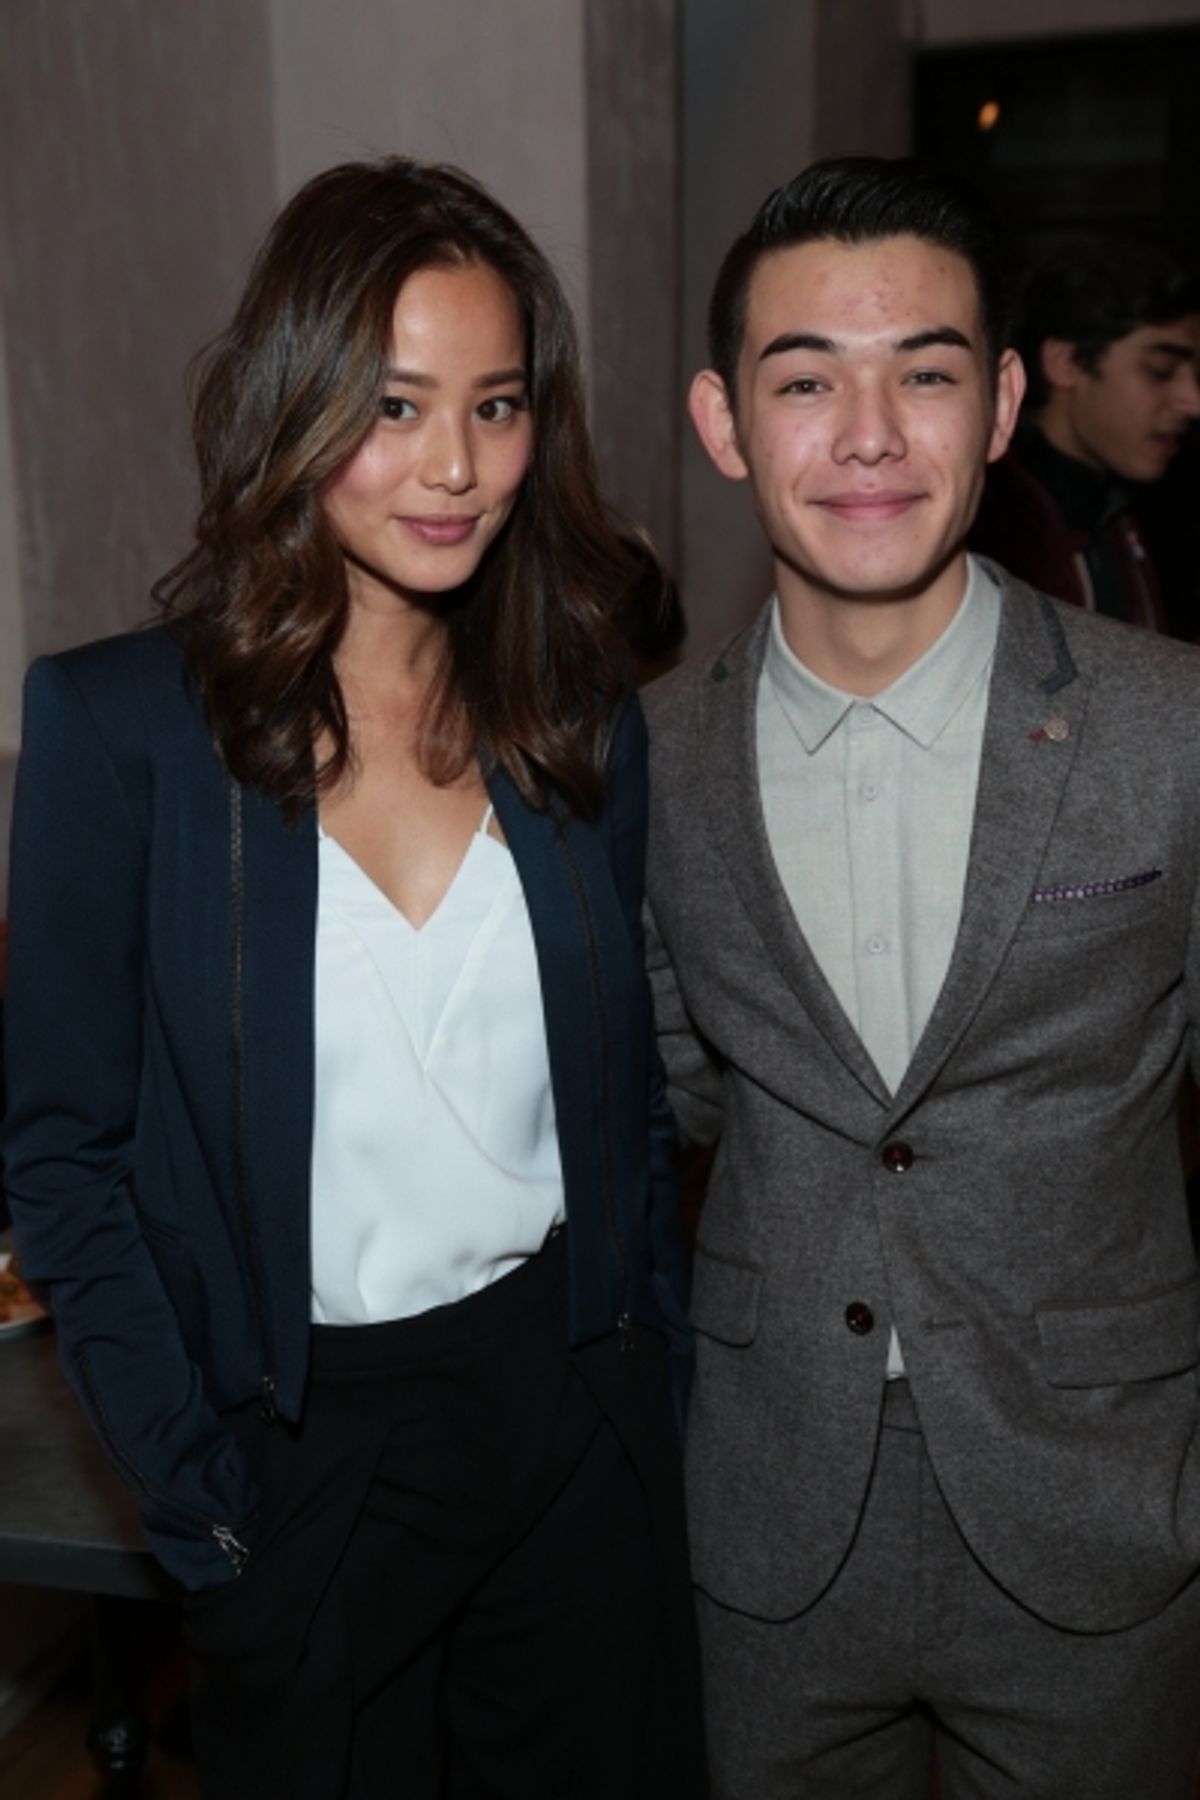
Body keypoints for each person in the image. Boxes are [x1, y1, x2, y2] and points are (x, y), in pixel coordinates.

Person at [3, 157, 704, 1800]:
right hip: (305, 1454)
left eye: (498, 403)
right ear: (293, 403)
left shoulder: (577, 714)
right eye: (393, 405)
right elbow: (64, 1156)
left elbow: (631, 1105)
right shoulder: (124, 736)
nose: (455, 466)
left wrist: (647, 1392)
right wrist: (197, 1494)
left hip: (572, 1423)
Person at [644, 155, 1200, 1798]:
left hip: (1099, 1516)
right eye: (807, 379)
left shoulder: (1170, 725)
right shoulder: (654, 760)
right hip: (771, 1518)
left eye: (927, 375)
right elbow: (677, 1093)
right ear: (725, 420)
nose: (869, 436)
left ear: (1006, 401)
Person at [972, 233, 1200, 632]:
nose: (1192, 402)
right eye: (1160, 371)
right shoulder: (990, 529)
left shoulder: (1145, 508)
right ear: (1066, 363)